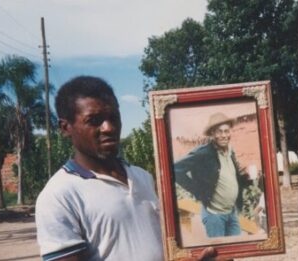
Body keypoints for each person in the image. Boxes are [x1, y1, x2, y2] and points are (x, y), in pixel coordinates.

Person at [35, 76, 214, 261]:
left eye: (114, 117)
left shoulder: (143, 177)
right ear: (65, 128)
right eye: (94, 120)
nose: (108, 128)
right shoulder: (59, 196)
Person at [174, 112, 251, 238]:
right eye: (219, 132)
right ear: (212, 133)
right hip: (214, 216)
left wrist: (247, 178)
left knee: (233, 252)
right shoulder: (203, 153)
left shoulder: (230, 152)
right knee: (219, 256)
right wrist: (198, 191)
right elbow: (176, 170)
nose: (224, 135)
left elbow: (228, 178)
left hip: (231, 213)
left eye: (226, 131)